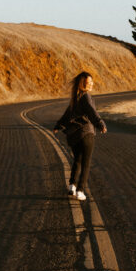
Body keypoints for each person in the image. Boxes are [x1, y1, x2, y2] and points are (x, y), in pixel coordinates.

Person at [54, 70, 107, 201]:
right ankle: (80, 190)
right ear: (83, 84)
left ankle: (72, 185)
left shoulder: (75, 98)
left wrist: (58, 125)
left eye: (91, 82)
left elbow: (67, 114)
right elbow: (91, 111)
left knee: (77, 160)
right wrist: (100, 124)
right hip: (86, 133)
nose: (91, 84)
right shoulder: (86, 97)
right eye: (89, 82)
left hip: (74, 136)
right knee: (86, 163)